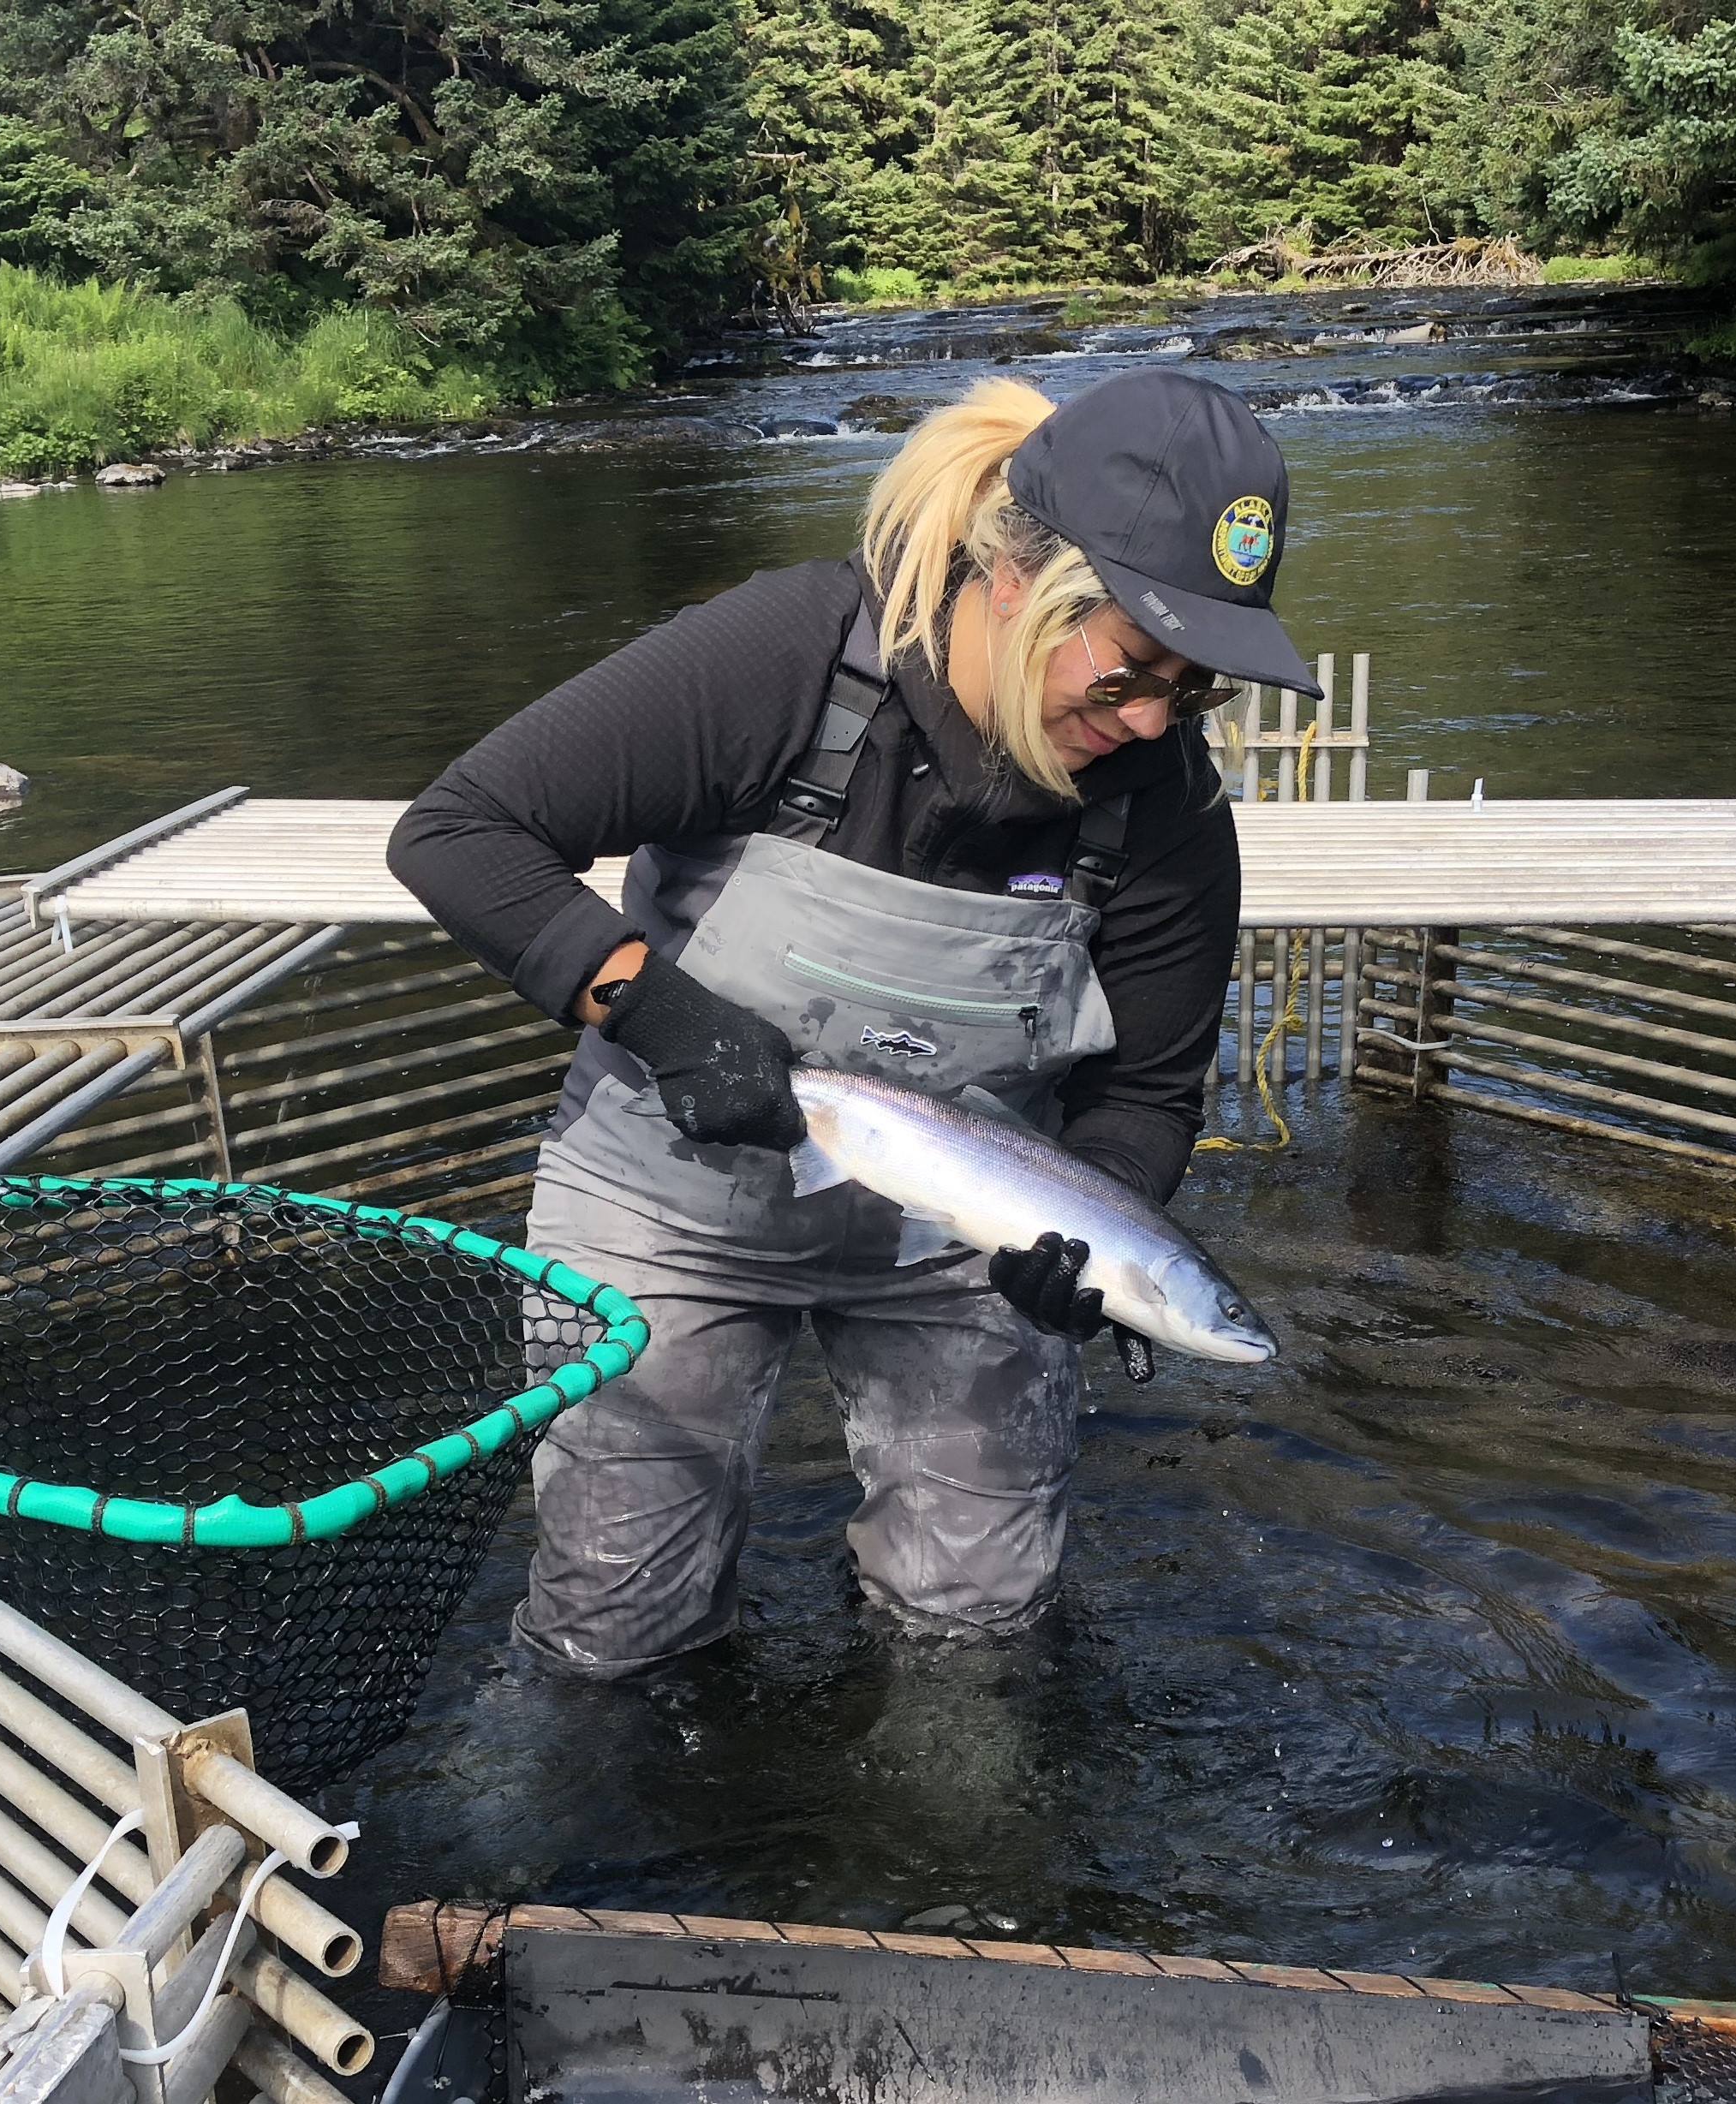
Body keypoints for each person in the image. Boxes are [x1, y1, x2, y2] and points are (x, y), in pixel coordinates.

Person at [388, 367, 1321, 1677]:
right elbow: (458, 832)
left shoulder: (1162, 804)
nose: (1154, 722)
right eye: (1125, 674)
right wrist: (653, 1010)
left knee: (976, 1626)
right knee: (617, 1624)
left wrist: (1088, 1229)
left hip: (960, 1245)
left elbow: (1148, 1094)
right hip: (670, 1202)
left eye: (1195, 689)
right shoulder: (785, 658)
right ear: (1012, 575)